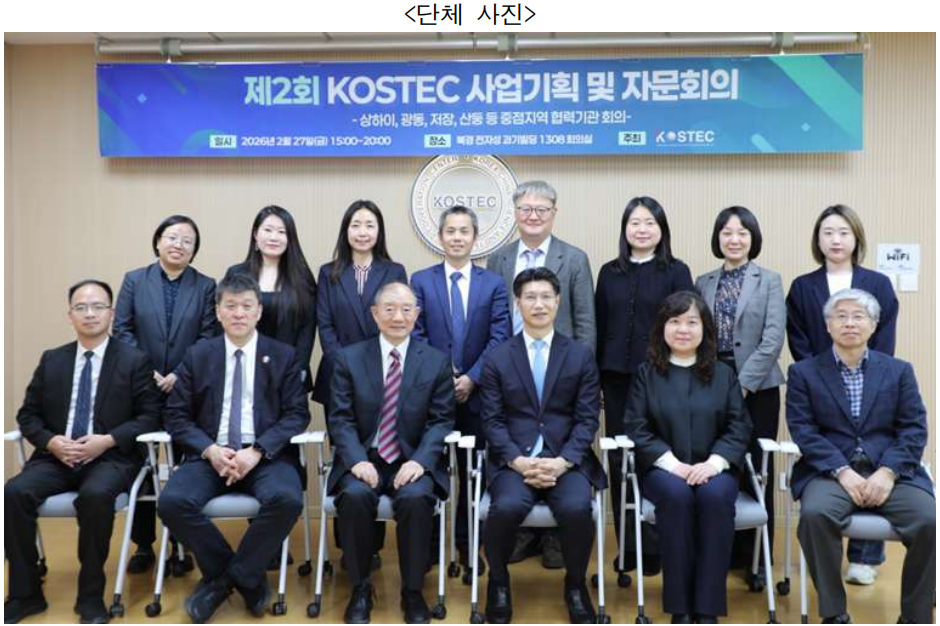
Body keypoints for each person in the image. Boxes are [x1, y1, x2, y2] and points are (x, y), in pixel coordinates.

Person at [5, 280, 162, 624]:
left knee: (95, 496)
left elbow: (150, 415)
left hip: (110, 458)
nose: (90, 313)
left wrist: (107, 440)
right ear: (70, 315)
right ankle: (25, 594)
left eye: (97, 306)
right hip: (57, 457)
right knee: (14, 492)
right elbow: (28, 415)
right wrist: (51, 442)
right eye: (81, 307)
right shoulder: (53, 359)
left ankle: (90, 597)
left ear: (111, 313)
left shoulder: (134, 360)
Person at [157, 274, 309, 623]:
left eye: (246, 306)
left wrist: (256, 451)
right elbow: (176, 416)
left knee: (287, 499)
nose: (239, 313)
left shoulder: (283, 355)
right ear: (218, 312)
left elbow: (297, 414)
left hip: (265, 457)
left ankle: (225, 582)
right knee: (172, 502)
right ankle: (246, 578)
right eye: (231, 306)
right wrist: (210, 450)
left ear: (259, 312)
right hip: (210, 456)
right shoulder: (198, 355)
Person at [786, 289, 934, 625]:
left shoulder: (898, 371)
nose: (850, 323)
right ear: (828, 325)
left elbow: (913, 429)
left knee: (929, 521)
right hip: (830, 473)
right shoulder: (804, 372)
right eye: (841, 316)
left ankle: (916, 616)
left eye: (858, 316)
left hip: (892, 473)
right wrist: (841, 470)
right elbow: (804, 431)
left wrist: (888, 472)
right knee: (814, 516)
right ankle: (834, 613)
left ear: (873, 325)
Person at [480, 267, 605, 624]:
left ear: (558, 301)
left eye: (546, 297)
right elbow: (492, 420)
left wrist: (563, 462)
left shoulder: (579, 355)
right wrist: (518, 461)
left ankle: (576, 585)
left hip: (566, 460)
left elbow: (587, 419)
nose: (539, 304)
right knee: (505, 507)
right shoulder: (498, 357)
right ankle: (498, 583)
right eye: (530, 297)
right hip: (514, 461)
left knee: (577, 508)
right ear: (517, 303)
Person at [327, 282, 456, 624]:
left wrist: (420, 461)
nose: (398, 317)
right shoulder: (348, 358)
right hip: (364, 458)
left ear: (417, 314)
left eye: (406, 309)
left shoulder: (436, 362)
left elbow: (442, 421)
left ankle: (412, 591)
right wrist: (356, 460)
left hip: (411, 459)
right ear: (374, 314)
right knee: (355, 496)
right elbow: (340, 418)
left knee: (416, 498)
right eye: (389, 309)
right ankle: (360, 588)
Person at [786, 204, 899, 585]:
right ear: (817, 240)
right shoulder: (803, 287)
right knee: (830, 464)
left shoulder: (878, 284)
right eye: (828, 232)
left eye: (843, 232)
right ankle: (826, 551)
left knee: (870, 457)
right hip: (820, 390)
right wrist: (819, 380)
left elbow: (885, 341)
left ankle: (865, 556)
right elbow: (799, 340)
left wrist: (870, 376)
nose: (836, 240)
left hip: (871, 386)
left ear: (856, 238)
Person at [486, 180, 596, 569]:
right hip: (512, 371)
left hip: (560, 370)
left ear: (553, 213)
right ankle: (523, 534)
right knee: (517, 454)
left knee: (559, 457)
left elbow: (585, 322)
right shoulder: (499, 259)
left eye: (541, 209)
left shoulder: (574, 258)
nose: (533, 216)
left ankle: (554, 539)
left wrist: (583, 371)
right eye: (525, 209)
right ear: (515, 214)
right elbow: (496, 318)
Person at [625, 291, 752, 624]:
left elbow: (739, 426)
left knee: (715, 497)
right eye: (675, 321)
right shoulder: (647, 373)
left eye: (692, 322)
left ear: (705, 328)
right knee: (677, 496)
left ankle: (707, 608)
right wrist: (673, 465)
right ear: (662, 328)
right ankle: (680, 608)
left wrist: (713, 464)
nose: (683, 329)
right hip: (663, 471)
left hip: (716, 469)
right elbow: (637, 427)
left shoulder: (723, 374)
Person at [112, 214, 217, 573]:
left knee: (187, 466)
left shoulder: (206, 286)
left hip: (188, 388)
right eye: (172, 237)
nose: (178, 245)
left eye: (187, 240)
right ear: (158, 241)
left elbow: (208, 335)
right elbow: (122, 329)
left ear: (194, 250)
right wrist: (148, 370)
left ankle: (181, 546)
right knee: (140, 464)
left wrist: (179, 373)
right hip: (141, 387)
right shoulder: (134, 280)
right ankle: (144, 544)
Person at [410, 205, 511, 576]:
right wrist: (444, 381)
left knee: (473, 473)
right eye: (450, 231)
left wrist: (471, 378)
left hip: (479, 395)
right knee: (431, 467)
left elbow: (500, 336)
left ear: (474, 237)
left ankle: (469, 547)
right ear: (440, 237)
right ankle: (431, 546)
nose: (456, 237)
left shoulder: (493, 283)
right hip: (430, 395)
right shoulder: (421, 280)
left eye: (463, 231)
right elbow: (416, 335)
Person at [595, 195, 693, 575]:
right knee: (620, 459)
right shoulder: (609, 271)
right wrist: (596, 380)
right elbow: (600, 324)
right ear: (624, 229)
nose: (641, 229)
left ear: (662, 229)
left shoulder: (677, 271)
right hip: (615, 378)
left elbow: (686, 327)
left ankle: (659, 547)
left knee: (659, 456)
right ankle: (629, 547)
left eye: (650, 223)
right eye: (634, 222)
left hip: (662, 378)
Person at [313, 199, 407, 565]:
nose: (363, 232)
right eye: (356, 224)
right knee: (348, 456)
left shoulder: (394, 269)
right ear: (346, 230)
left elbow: (397, 322)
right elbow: (325, 325)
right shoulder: (329, 272)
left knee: (378, 454)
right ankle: (349, 546)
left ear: (379, 231)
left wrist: (372, 367)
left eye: (370, 225)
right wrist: (347, 367)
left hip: (384, 377)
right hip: (339, 377)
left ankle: (374, 546)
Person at [695, 206, 785, 580]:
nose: (734, 239)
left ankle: (758, 561)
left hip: (758, 388)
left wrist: (743, 384)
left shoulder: (770, 280)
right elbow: (698, 335)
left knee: (757, 468)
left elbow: (773, 338)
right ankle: (722, 552)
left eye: (742, 233)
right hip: (712, 382)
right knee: (719, 464)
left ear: (753, 238)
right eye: (727, 233)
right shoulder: (703, 281)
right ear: (717, 238)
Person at [223, 204, 317, 394]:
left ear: (290, 239)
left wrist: (298, 368)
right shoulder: (237, 273)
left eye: (282, 232)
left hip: (289, 371)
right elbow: (225, 321)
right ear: (255, 235)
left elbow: (308, 328)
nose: (274, 237)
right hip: (245, 368)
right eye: (268, 230)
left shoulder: (302, 277)